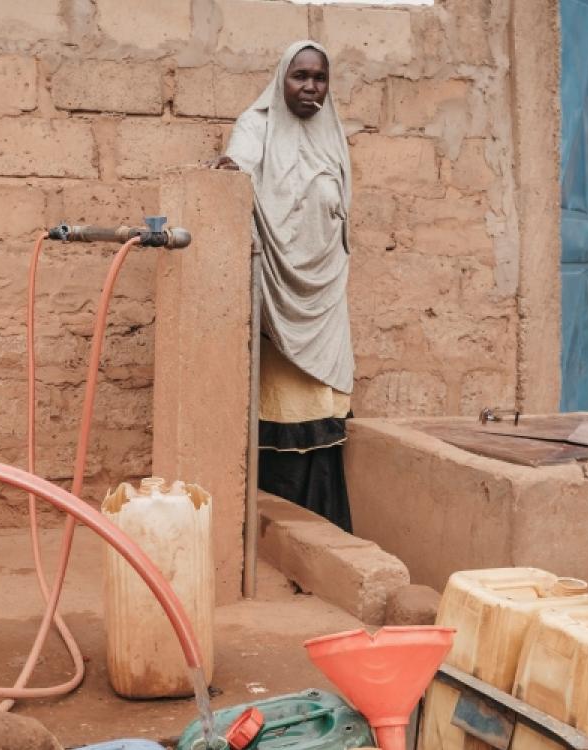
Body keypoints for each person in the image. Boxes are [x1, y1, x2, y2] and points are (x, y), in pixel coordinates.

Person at [215, 42, 357, 532]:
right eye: (300, 76)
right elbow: (242, 165)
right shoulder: (259, 125)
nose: (311, 87)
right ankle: (279, 532)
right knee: (282, 404)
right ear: (283, 78)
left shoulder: (331, 133)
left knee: (322, 406)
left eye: (319, 77)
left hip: (325, 293)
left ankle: (325, 532)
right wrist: (232, 171)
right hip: (278, 291)